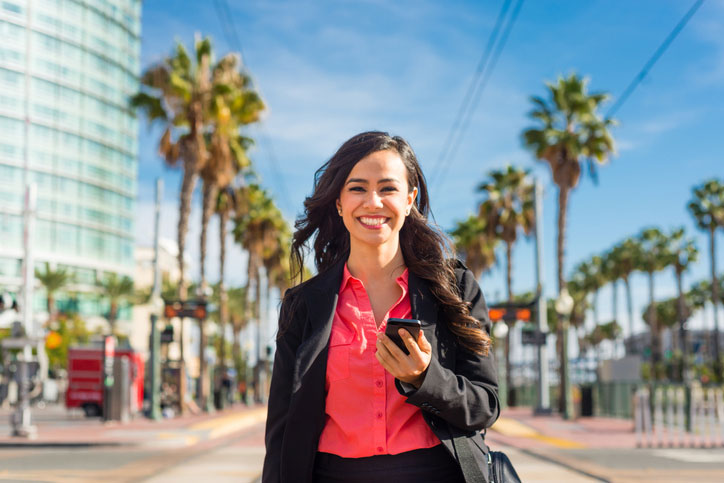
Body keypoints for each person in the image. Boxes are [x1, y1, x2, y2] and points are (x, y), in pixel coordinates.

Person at [262, 131, 499, 483]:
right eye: (357, 188)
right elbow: (281, 431)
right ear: (339, 202)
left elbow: (485, 405)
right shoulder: (303, 305)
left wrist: (425, 379)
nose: (373, 202)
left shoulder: (455, 289)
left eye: (387, 188)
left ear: (409, 200)